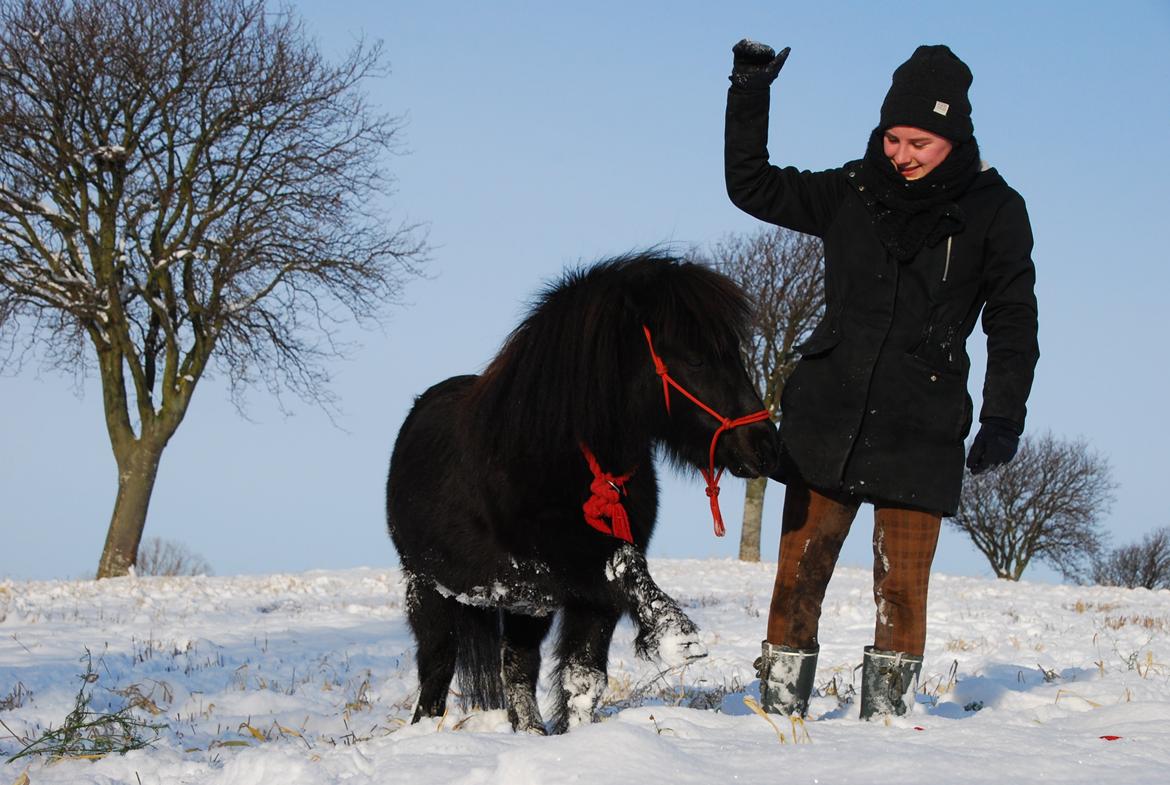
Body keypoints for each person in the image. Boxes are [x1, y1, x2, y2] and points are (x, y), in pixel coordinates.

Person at [724, 41, 1039, 720]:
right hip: (825, 421)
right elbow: (751, 185)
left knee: (901, 597)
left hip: (920, 430)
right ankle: (777, 721)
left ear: (953, 137)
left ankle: (886, 733)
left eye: (919, 141)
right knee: (795, 587)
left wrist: (1002, 416)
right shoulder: (851, 190)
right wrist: (750, 92)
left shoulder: (995, 211)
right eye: (892, 137)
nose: (900, 153)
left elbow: (1013, 322)